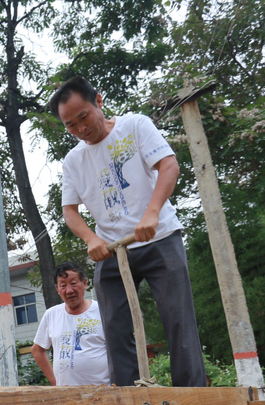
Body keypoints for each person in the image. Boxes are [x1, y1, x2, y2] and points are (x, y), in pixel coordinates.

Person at [50, 75, 207, 388]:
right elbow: (70, 211)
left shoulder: (135, 126)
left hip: (159, 238)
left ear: (99, 102)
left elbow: (169, 165)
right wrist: (91, 238)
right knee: (114, 327)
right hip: (112, 251)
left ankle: (191, 395)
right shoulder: (73, 160)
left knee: (178, 319)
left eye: (84, 117)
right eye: (70, 125)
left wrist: (152, 213)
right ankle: (129, 396)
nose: (80, 129)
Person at [30, 262, 110, 386]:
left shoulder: (102, 310)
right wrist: (55, 382)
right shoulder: (51, 314)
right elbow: (37, 350)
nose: (69, 290)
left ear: (84, 283)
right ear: (57, 289)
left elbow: (119, 349)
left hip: (103, 391)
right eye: (63, 286)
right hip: (67, 394)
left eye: (73, 283)